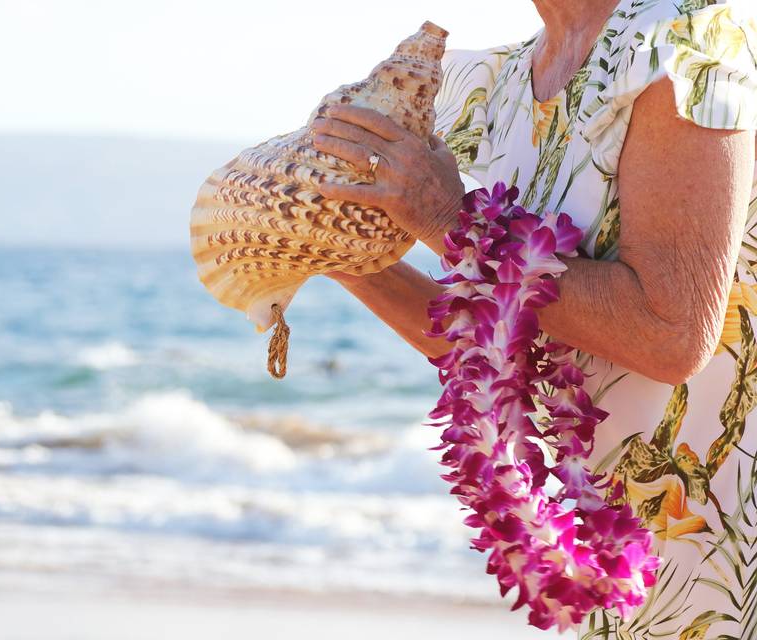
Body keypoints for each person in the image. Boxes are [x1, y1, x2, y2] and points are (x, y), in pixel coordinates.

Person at [311, 1, 757, 637]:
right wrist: (342, 259)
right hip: (615, 567)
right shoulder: (502, 86)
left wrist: (449, 220)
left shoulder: (685, 40)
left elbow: (671, 333)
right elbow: (492, 343)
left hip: (728, 551)